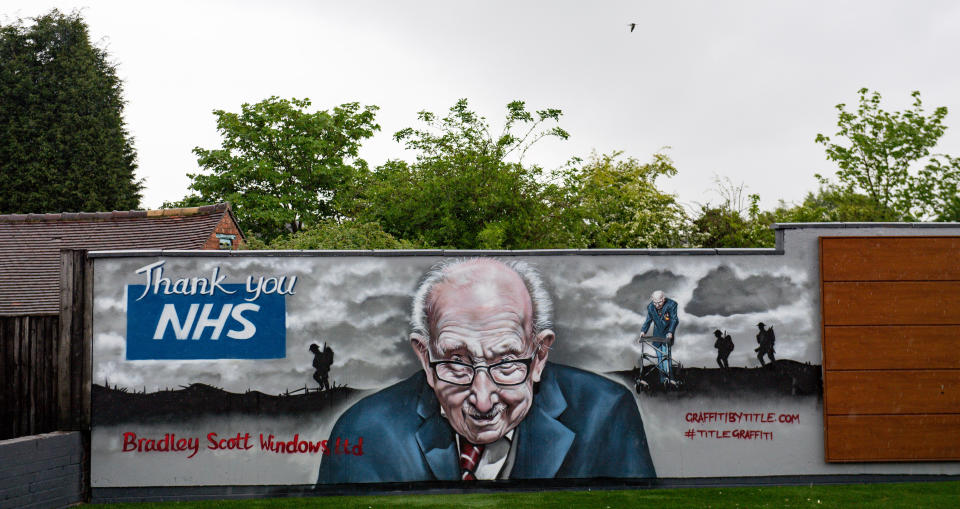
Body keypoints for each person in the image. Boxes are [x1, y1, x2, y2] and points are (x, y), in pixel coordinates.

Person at [316, 258, 655, 484]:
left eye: (506, 363)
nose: (481, 400)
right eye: (456, 362)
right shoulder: (366, 431)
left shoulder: (605, 413)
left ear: (538, 356)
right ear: (425, 357)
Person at [639, 290, 679, 384]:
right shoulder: (650, 307)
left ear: (663, 299)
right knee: (660, 358)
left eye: (659, 302)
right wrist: (643, 331)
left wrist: (670, 332)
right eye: (655, 302)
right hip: (657, 335)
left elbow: (674, 319)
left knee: (666, 357)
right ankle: (663, 380)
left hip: (667, 334)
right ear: (652, 300)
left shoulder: (672, 304)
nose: (657, 305)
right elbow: (648, 320)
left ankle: (670, 378)